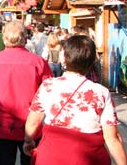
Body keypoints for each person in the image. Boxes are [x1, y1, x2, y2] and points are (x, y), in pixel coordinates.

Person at [23, 35, 127, 165]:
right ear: (92, 60)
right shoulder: (101, 93)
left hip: (51, 156)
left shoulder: (48, 86)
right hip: (89, 157)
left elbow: (33, 122)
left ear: (64, 57)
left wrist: (28, 140)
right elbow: (112, 138)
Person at [0, 20, 52, 165]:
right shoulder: (38, 62)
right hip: (32, 125)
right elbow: (50, 92)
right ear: (25, 37)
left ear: (4, 38)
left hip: (3, 126)